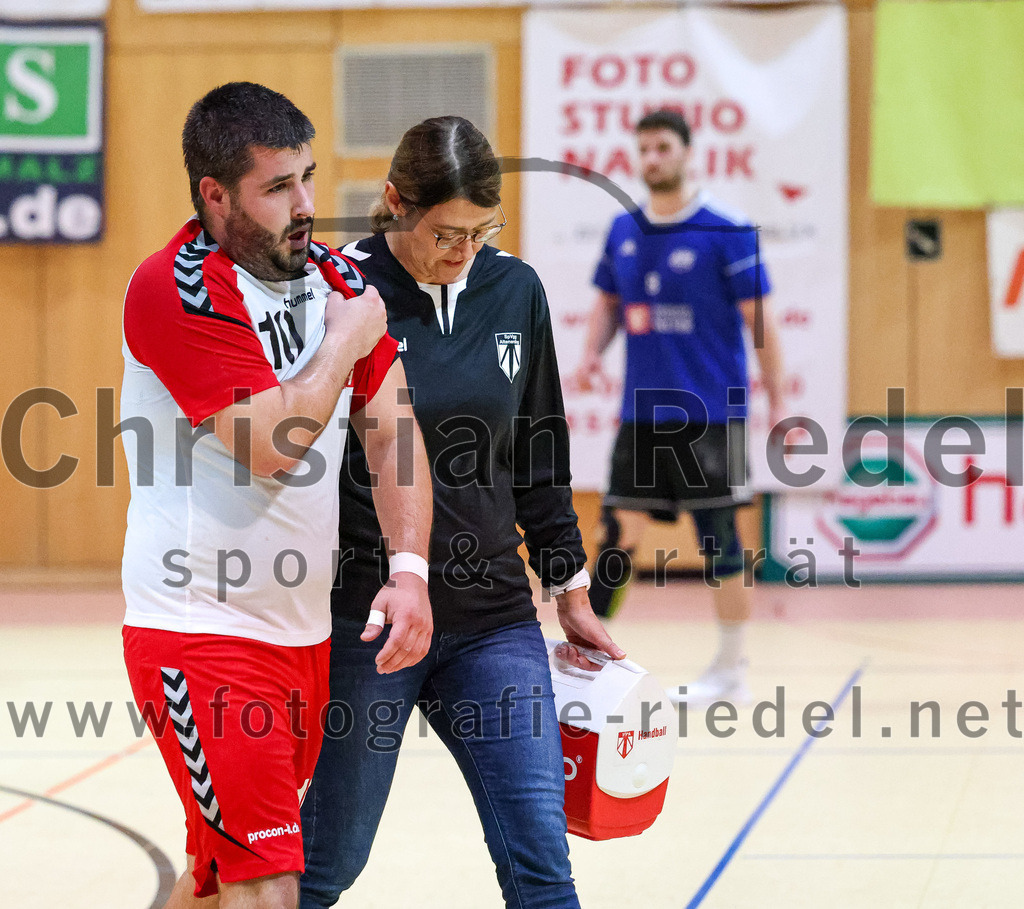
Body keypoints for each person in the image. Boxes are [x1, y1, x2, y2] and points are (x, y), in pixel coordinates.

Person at [120, 82, 433, 909]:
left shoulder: (330, 275)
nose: (305, 206)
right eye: (278, 186)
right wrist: (343, 343)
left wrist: (409, 570)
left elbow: (393, 431)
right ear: (216, 195)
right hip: (200, 633)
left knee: (216, 880)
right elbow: (272, 444)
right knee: (268, 882)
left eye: (309, 177)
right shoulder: (178, 287)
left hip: (300, 639)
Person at [299, 116, 624, 909]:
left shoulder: (516, 289)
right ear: (395, 202)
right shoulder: (339, 292)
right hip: (368, 623)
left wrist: (569, 589)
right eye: (447, 233)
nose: (465, 250)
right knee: (327, 863)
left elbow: (540, 455)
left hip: (494, 621)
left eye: (484, 230)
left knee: (542, 865)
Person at [573, 108, 785, 706]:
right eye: (643, 149)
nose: (652, 158)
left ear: (689, 152)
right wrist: (590, 354)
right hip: (641, 416)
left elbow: (761, 322)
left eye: (663, 147)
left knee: (720, 540)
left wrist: (781, 402)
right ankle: (590, 660)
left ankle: (731, 670)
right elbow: (608, 304)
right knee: (616, 533)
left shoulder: (728, 230)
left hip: (713, 414)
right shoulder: (623, 230)